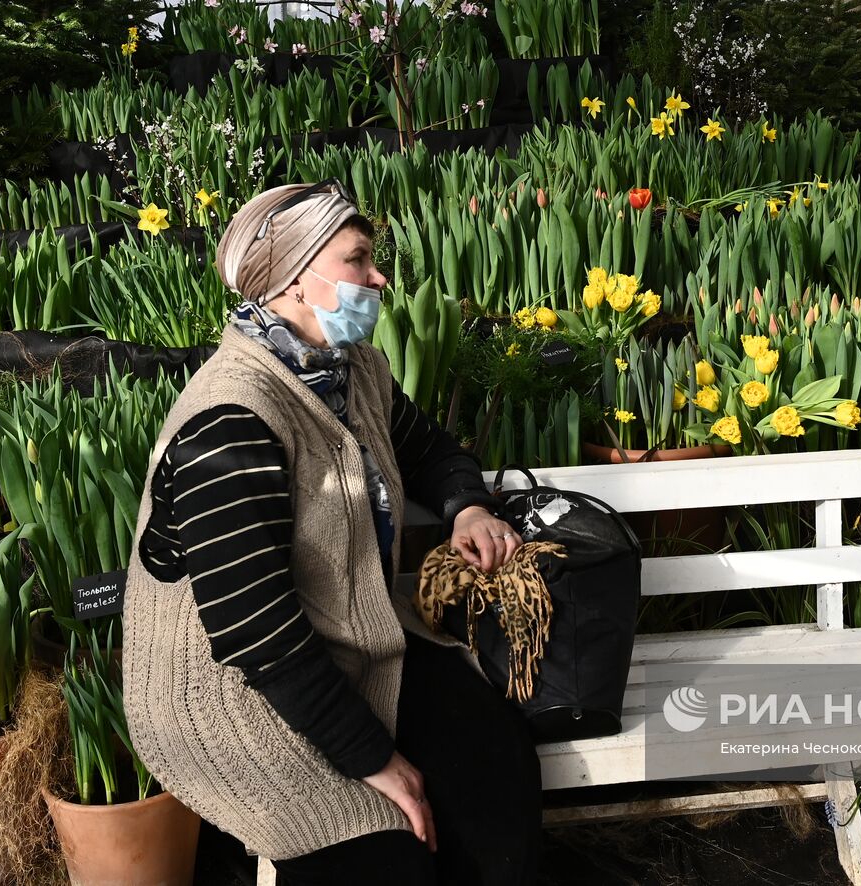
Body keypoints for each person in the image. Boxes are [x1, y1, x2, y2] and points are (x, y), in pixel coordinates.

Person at [121, 180, 542, 885]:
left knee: (493, 762)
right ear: (291, 277)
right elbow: (257, 635)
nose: (379, 278)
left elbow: (433, 451)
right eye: (360, 259)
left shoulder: (354, 373)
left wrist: (466, 507)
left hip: (353, 648)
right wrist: (378, 761)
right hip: (241, 699)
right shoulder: (230, 419)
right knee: (386, 855)